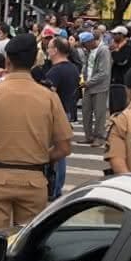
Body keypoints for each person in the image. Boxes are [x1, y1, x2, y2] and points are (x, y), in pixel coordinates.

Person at [0, 34, 74, 234]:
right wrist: (41, 160)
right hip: (34, 180)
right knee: (26, 244)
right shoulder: (49, 97)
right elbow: (64, 147)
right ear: (33, 62)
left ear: (7, 61)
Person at [45, 36, 81, 200]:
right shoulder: (73, 68)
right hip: (66, 111)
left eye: (49, 47)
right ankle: (57, 187)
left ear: (55, 50)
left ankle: (53, 188)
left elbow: (49, 94)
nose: (47, 50)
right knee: (61, 152)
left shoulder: (55, 71)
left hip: (55, 115)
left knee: (55, 153)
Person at [79, 31, 111, 147]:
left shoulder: (103, 51)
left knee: (99, 113)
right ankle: (89, 136)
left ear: (90, 41)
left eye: (84, 44)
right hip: (88, 85)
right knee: (86, 112)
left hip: (99, 86)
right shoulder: (88, 51)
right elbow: (87, 66)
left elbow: (104, 72)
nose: (84, 47)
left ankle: (99, 137)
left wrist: (89, 82)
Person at [109, 25, 131, 114]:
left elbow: (121, 61)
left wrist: (114, 51)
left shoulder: (128, 46)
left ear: (121, 35)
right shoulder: (127, 45)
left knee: (120, 106)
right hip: (120, 79)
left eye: (115, 34)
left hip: (122, 80)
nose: (113, 36)